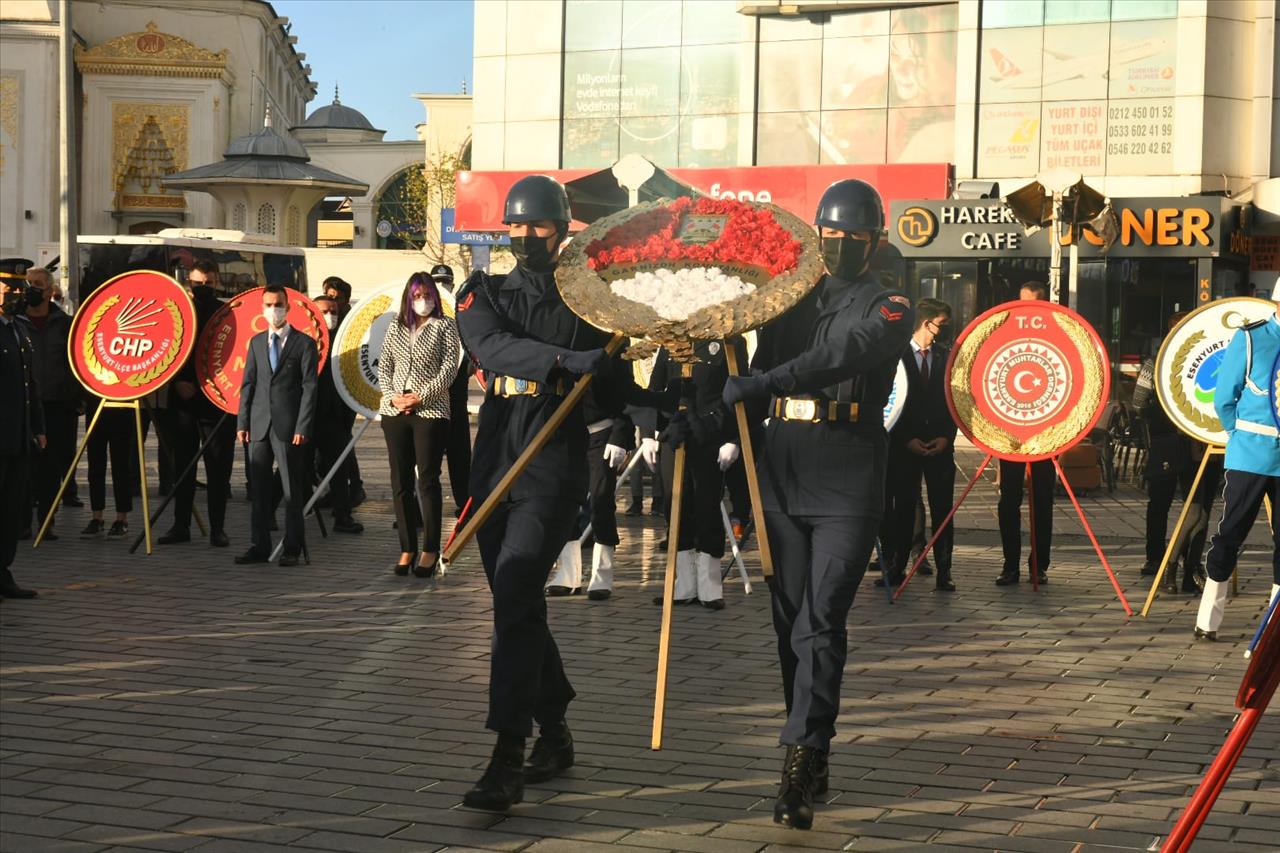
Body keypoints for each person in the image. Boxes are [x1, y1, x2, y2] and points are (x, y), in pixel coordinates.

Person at [717, 179, 913, 830]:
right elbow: (746, 359)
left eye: (853, 239)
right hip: (782, 464)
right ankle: (813, 736)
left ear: (874, 243)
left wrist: (763, 379)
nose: (837, 248)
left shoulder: (889, 306)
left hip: (848, 473)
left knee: (821, 619)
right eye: (828, 237)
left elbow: (840, 354)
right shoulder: (786, 299)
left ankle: (800, 758)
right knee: (787, 620)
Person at [454, 174, 640, 811]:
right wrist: (563, 362)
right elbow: (492, 345)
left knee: (514, 592)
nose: (526, 235)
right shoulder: (482, 291)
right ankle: (556, 728)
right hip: (498, 448)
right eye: (517, 225)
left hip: (553, 459)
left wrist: (665, 396)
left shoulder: (591, 301)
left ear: (562, 230)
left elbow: (613, 381)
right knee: (519, 604)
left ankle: (507, 755)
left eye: (539, 225)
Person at [1193, 292, 1280, 641]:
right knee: (1231, 532)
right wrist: (1238, 435)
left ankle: (1274, 627)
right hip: (1251, 453)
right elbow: (1223, 397)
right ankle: (1208, 618)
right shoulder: (1251, 337)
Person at [642, 339, 747, 611]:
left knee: (707, 507)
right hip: (674, 436)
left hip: (710, 433)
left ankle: (710, 587)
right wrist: (647, 435)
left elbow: (739, 392)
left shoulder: (728, 342)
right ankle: (683, 585)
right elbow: (656, 389)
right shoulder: (671, 341)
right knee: (675, 508)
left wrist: (733, 438)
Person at [378, 272, 461, 576]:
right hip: (394, 410)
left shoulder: (445, 326)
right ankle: (406, 547)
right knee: (400, 481)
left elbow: (449, 370)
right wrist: (392, 396)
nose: (422, 301)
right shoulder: (396, 326)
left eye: (427, 295)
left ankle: (429, 548)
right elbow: (384, 364)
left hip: (431, 411)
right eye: (416, 296)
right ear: (408, 298)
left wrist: (421, 396)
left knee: (427, 480)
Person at [235, 285, 318, 566]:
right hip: (258, 425)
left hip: (288, 427)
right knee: (258, 490)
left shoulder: (303, 343)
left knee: (290, 491)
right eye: (269, 304)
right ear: (262, 307)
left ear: (288, 306)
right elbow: (248, 384)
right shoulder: (257, 342)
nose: (273, 309)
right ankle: (259, 545)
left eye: (278, 304)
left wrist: (302, 426)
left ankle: (292, 548)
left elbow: (309, 388)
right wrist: (243, 421)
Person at [159, 260, 236, 548]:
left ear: (217, 282)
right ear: (188, 282)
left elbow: (234, 354)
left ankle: (218, 528)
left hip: (217, 400)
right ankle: (181, 525)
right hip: (182, 400)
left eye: (209, 283)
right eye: (197, 283)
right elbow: (166, 348)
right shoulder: (178, 310)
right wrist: (177, 381)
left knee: (218, 468)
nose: (203, 288)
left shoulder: (227, 313)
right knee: (182, 467)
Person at [883, 298, 957, 592]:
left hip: (939, 447)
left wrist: (946, 437)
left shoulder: (947, 357)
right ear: (927, 324)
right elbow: (888, 401)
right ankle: (897, 566)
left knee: (943, 510)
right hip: (905, 448)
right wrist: (905, 439)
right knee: (902, 509)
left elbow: (957, 402)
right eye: (943, 324)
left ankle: (945, 570)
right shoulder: (895, 356)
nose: (946, 330)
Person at [1132, 339, 1216, 594]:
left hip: (1195, 447)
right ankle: (1169, 563)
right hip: (1177, 445)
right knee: (1181, 508)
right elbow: (1139, 405)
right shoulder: (1156, 363)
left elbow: (1139, 406)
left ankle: (1181, 566)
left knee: (1196, 511)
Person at [995, 281, 1056, 586]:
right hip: (1011, 437)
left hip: (1047, 437)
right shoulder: (1005, 333)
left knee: (1042, 502)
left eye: (1030, 303)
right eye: (1021, 302)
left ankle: (1039, 566)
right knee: (1009, 502)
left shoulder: (1059, 332)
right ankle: (1010, 565)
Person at [24, 266, 81, 539]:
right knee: (24, 467)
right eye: (28, 283)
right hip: (24, 406)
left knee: (52, 466)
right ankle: (23, 523)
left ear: (49, 291)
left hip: (58, 405)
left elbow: (76, 363)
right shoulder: (16, 322)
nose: (31, 288)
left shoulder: (66, 324)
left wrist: (75, 397)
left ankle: (47, 521)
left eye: (37, 284)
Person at [1, 258, 45, 598]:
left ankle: (3, 572)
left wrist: (38, 426)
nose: (15, 293)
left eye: (18, 287)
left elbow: (30, 385)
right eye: (8, 287)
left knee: (12, 509)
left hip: (17, 436)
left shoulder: (18, 327)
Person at [309, 295, 365, 536]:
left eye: (333, 311)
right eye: (324, 311)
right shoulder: (303, 340)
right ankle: (269, 510)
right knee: (294, 467)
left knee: (339, 468)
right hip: (307, 416)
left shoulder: (343, 342)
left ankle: (343, 516)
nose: (330, 316)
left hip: (335, 417)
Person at [431, 263, 474, 515]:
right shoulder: (420, 315)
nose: (441, 287)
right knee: (427, 459)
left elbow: (472, 348)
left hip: (455, 396)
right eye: (437, 281)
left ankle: (464, 504)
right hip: (429, 400)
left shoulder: (462, 314)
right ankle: (422, 507)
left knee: (459, 456)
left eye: (445, 282)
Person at [322, 275, 365, 506]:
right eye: (329, 297)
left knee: (342, 441)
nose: (333, 303)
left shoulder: (351, 323)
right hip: (324, 393)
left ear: (346, 300)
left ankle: (353, 487)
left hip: (345, 392)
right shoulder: (321, 319)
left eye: (337, 299)